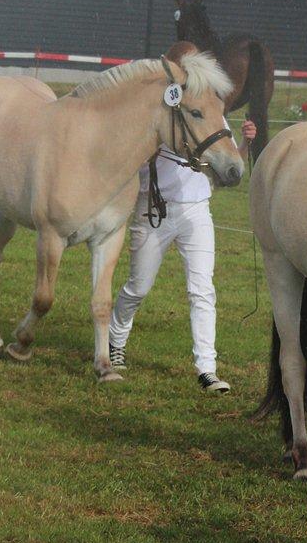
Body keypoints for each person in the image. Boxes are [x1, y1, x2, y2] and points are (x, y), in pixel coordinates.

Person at [108, 115, 257, 393]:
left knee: (202, 290)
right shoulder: (156, 112)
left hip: (197, 210)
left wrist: (246, 143)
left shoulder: (212, 113)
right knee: (138, 288)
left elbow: (227, 166)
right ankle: (115, 341)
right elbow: (124, 162)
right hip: (153, 207)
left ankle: (207, 369)